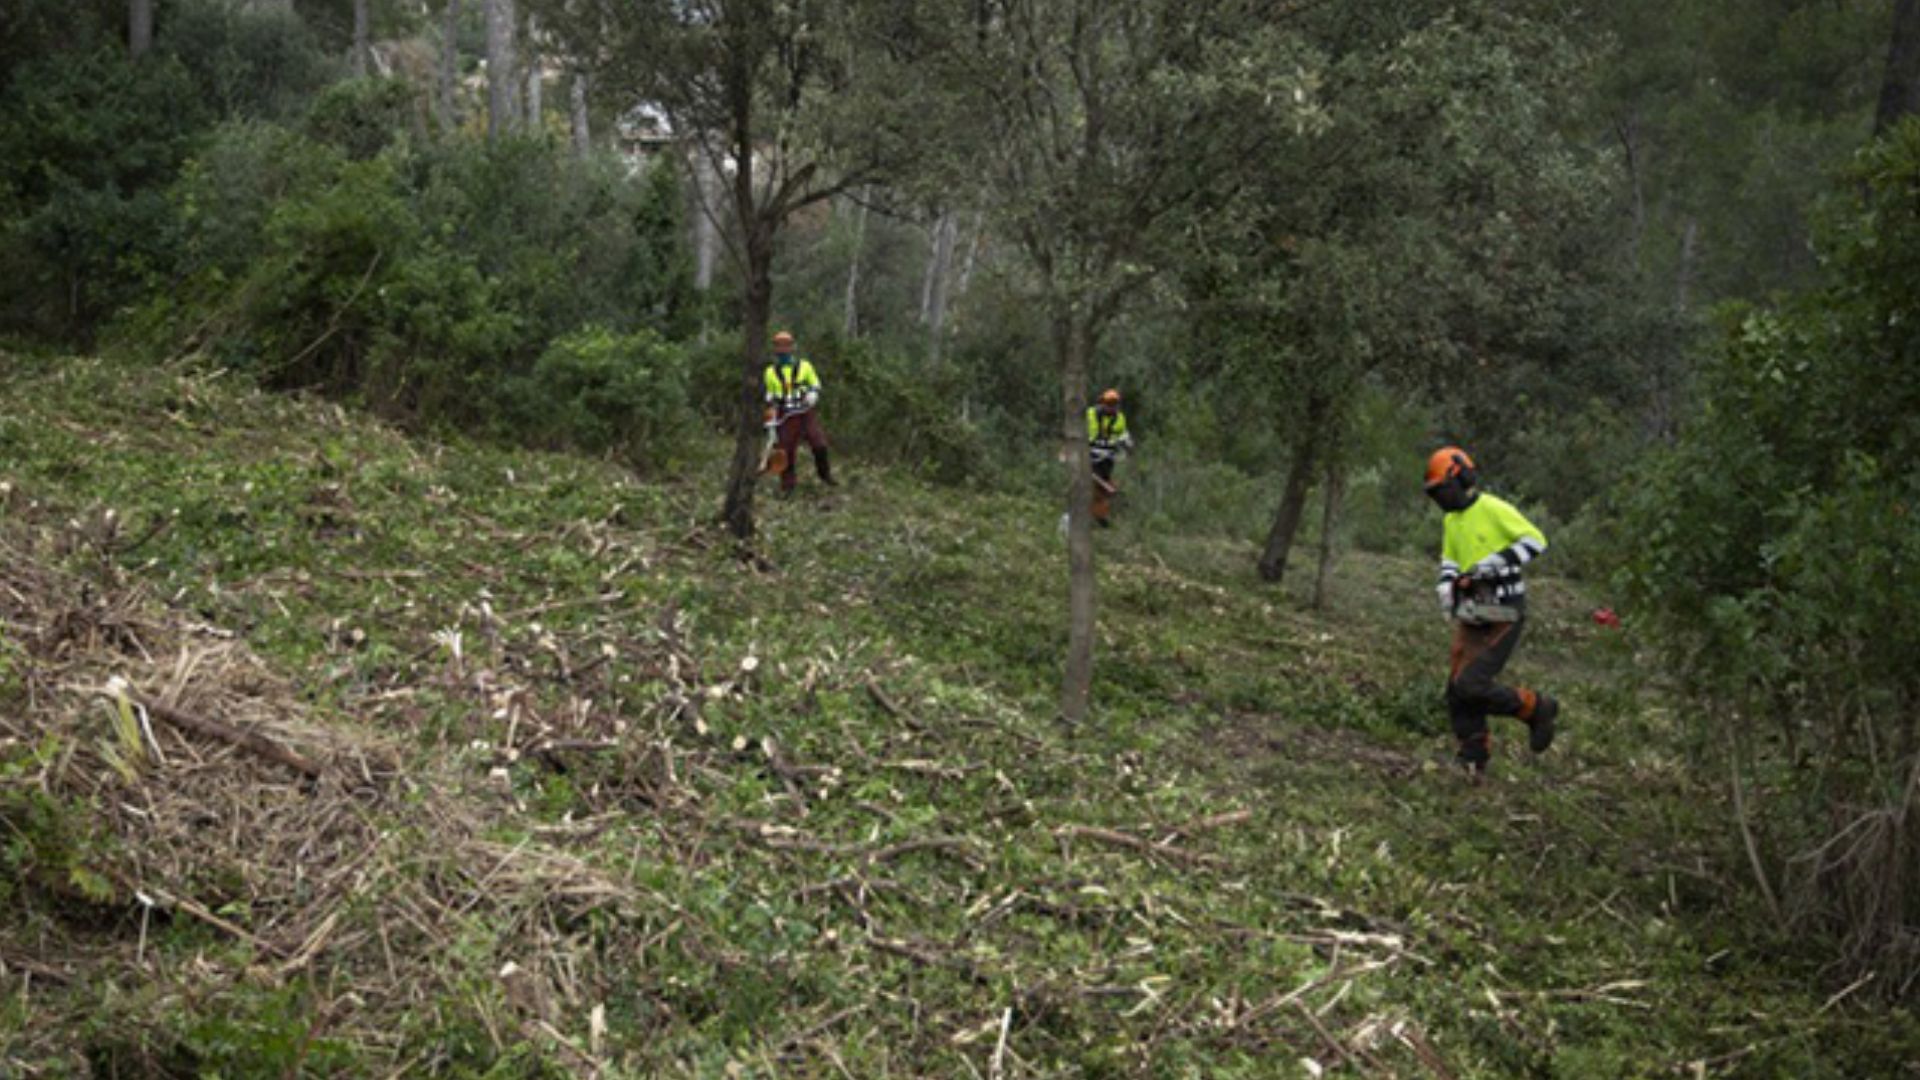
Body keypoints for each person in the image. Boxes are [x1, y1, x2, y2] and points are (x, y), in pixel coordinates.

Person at [1425, 446, 1558, 778]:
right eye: (1434, 494)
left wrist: (1494, 564)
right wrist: (1446, 584)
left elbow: (1536, 540)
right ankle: (1472, 758)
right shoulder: (1451, 520)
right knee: (1457, 689)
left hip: (1504, 608)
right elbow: (1451, 559)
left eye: (1442, 490)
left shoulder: (1492, 508)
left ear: (1460, 479)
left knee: (1471, 684)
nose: (1440, 499)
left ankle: (1534, 707)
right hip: (1473, 609)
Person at [764, 331, 835, 494]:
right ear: (775, 350)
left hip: (804, 411)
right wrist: (770, 406)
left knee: (819, 443)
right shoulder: (770, 372)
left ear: (792, 348)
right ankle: (788, 486)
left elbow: (815, 383)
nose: (783, 351)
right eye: (779, 348)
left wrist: (813, 393)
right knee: (786, 451)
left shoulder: (805, 366)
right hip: (785, 414)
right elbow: (769, 394)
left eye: (786, 347)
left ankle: (825, 475)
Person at [1086, 389, 1133, 526]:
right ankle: (1094, 517)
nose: (1111, 407)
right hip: (1089, 455)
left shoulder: (1120, 418)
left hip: (1107, 458)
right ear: (1102, 403)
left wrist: (1127, 444)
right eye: (1108, 403)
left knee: (1103, 488)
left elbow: (1124, 436)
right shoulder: (1090, 414)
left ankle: (1100, 517)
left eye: (1114, 404)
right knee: (1092, 486)